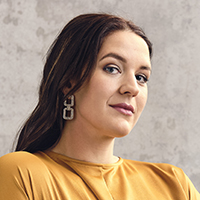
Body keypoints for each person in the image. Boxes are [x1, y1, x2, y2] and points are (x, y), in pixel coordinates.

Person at [0, 13, 199, 200]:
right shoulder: (20, 174)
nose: (132, 88)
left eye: (141, 77)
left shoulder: (174, 185)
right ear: (68, 82)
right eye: (112, 68)